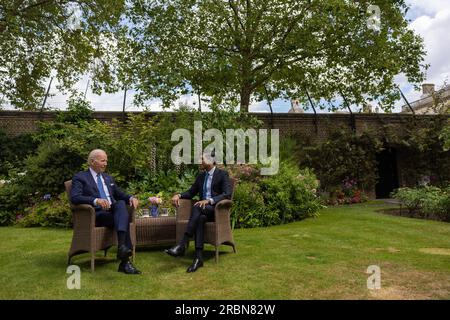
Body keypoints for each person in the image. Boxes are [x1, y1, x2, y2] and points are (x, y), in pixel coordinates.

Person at [70, 149, 141, 275]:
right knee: (123, 218)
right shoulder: (80, 177)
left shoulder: (108, 178)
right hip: (96, 214)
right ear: (92, 161)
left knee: (120, 204)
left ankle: (122, 250)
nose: (106, 163)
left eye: (106, 160)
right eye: (103, 160)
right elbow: (75, 197)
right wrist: (96, 200)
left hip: (112, 212)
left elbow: (119, 194)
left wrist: (131, 198)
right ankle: (125, 260)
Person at [165, 153, 232, 273]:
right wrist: (179, 195)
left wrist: (209, 201)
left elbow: (227, 194)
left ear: (211, 161)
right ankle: (198, 258)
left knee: (198, 206)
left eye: (202, 159)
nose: (199, 161)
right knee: (200, 218)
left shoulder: (222, 174)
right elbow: (191, 192)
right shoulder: (201, 176)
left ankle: (182, 244)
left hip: (216, 209)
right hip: (203, 211)